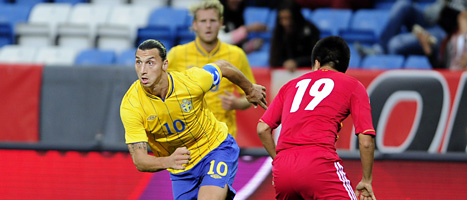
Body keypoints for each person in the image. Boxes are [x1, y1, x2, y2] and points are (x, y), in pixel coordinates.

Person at [120, 39, 268, 200]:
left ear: (164, 65)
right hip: (182, 168)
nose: (143, 70)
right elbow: (139, 160)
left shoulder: (191, 82)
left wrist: (249, 89)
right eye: (138, 63)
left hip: (215, 148)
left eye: (150, 63)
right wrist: (168, 161)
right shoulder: (131, 105)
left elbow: (223, 67)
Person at [257, 36, 377, 200]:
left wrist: (278, 162)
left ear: (317, 63)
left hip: (283, 169)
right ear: (343, 67)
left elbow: (263, 128)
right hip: (318, 163)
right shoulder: (353, 85)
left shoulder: (290, 85)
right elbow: (366, 140)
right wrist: (367, 180)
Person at [168, 0, 256, 138]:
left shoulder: (236, 54)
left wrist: (237, 103)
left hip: (222, 138)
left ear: (221, 23)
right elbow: (161, 93)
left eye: (213, 20)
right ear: (194, 25)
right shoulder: (176, 54)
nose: (208, 26)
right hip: (187, 137)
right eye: (203, 21)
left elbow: (252, 94)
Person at [269, 0, 321, 72]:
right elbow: (274, 59)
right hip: (284, 74)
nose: (285, 23)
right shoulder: (279, 31)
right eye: (282, 19)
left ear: (295, 17)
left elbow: (316, 57)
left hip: (307, 71)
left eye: (288, 18)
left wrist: (297, 62)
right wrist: (285, 63)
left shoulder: (310, 30)